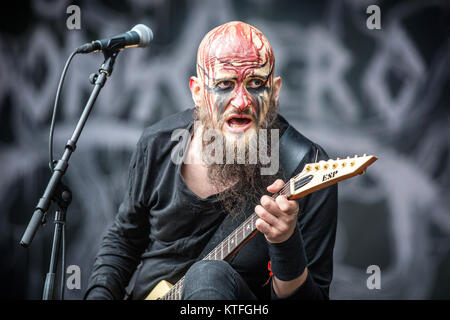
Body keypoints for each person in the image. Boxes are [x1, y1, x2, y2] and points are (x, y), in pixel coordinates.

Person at [84, 21, 337, 300]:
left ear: (274, 91)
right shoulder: (158, 143)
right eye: (225, 84)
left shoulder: (306, 167)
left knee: (208, 275)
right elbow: (124, 239)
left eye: (256, 84)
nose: (241, 101)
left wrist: (285, 244)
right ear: (197, 92)